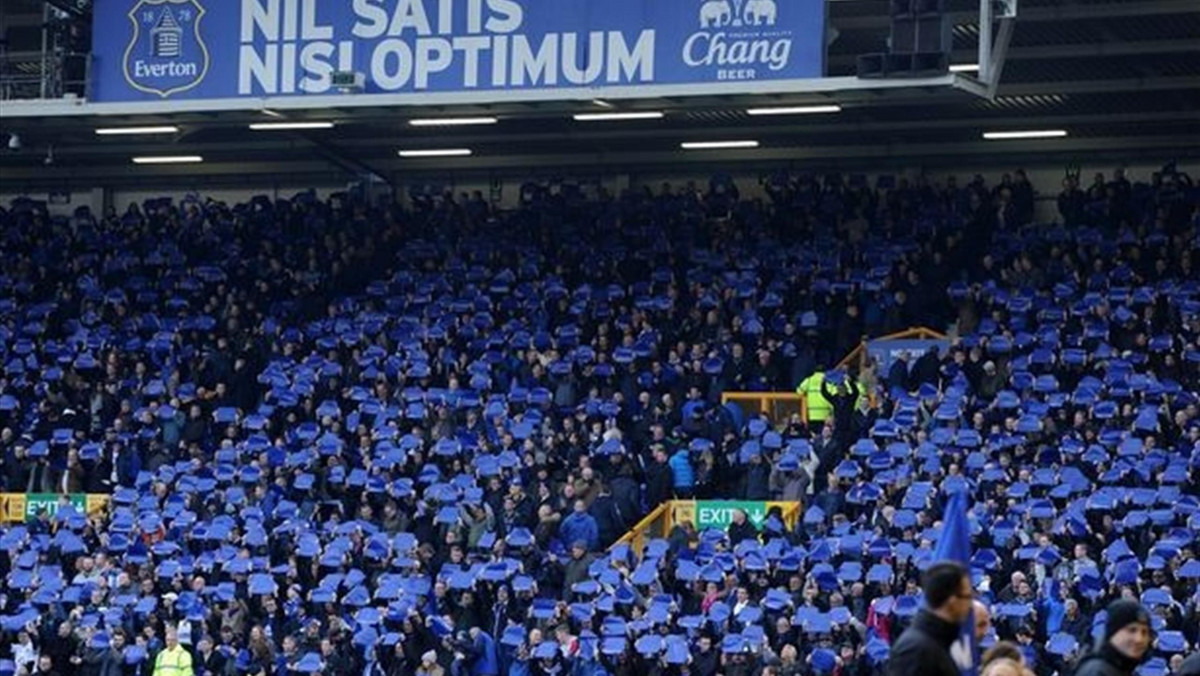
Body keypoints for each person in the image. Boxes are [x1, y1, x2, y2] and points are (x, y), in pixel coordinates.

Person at [886, 561, 973, 676]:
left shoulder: (951, 640)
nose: (971, 604)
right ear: (951, 600)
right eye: (968, 596)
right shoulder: (914, 651)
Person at [1072, 600, 1152, 676]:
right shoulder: (1096, 671)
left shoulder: (1122, 667)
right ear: (1114, 632)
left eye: (1144, 632)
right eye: (1131, 630)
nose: (1139, 639)